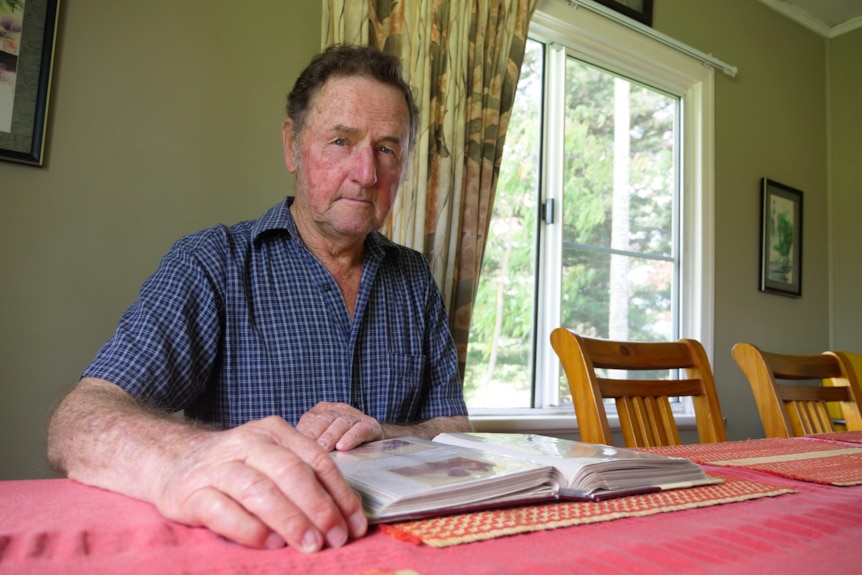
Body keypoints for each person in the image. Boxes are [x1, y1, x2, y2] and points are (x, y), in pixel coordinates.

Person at [46, 44, 471, 554]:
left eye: (387, 148)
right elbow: (77, 423)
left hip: (405, 551)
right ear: (293, 145)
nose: (366, 173)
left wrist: (383, 433)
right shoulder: (211, 262)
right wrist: (189, 457)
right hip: (259, 549)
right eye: (341, 140)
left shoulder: (415, 278)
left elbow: (454, 428)